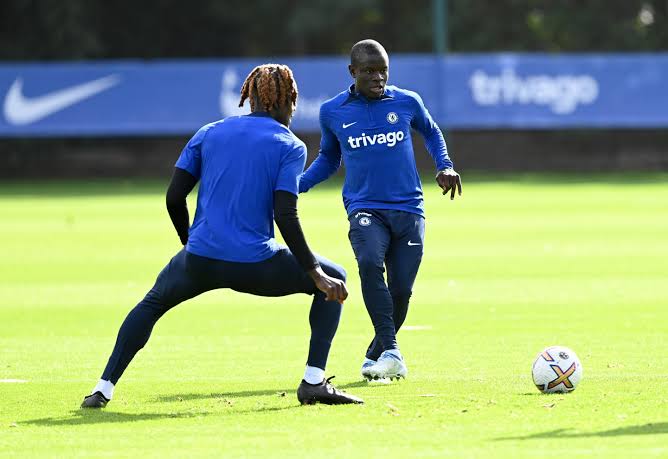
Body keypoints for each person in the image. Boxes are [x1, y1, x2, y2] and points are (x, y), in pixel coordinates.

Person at [81, 64, 363, 408]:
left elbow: (174, 198)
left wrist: (190, 243)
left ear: (253, 98)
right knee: (335, 278)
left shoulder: (209, 132)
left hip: (199, 260)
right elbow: (285, 214)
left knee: (152, 304)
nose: (293, 110)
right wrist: (314, 273)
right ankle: (313, 383)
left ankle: (102, 389)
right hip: (255, 264)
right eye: (293, 102)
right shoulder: (290, 145)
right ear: (284, 101)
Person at [299, 40, 462, 381]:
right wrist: (297, 185)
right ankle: (394, 353)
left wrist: (445, 165)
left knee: (401, 291)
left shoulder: (407, 101)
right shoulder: (333, 111)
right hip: (365, 207)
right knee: (370, 262)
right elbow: (330, 158)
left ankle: (377, 354)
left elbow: (431, 132)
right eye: (369, 71)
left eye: (383, 70)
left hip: (409, 208)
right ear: (352, 72)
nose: (378, 78)